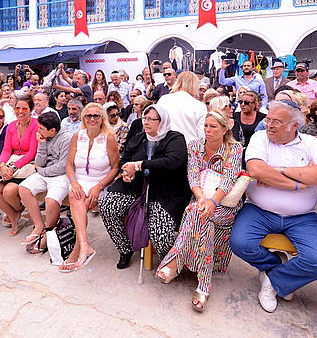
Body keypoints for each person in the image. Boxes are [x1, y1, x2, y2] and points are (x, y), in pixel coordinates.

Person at [229, 101, 317, 313]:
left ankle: (274, 280)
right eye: (268, 119)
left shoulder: (310, 143)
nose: (269, 125)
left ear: (294, 125)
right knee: (240, 243)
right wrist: (298, 183)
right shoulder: (260, 138)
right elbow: (256, 169)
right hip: (259, 210)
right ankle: (275, 264)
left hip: (302, 216)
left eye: (277, 121)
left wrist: (279, 170)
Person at [155, 111, 242, 311]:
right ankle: (204, 285)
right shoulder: (195, 145)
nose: (207, 130)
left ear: (224, 129)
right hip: (200, 199)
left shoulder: (234, 148)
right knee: (200, 215)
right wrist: (202, 198)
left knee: (196, 213)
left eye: (213, 126)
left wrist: (212, 202)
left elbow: (229, 179)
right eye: (206, 126)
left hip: (224, 204)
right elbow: (192, 175)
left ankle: (175, 262)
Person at [100, 104, 188, 267]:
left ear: (162, 121)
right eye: (144, 118)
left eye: (151, 119)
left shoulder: (175, 139)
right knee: (108, 205)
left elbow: (171, 162)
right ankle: (125, 248)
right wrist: (126, 172)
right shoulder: (139, 138)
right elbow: (124, 160)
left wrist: (139, 165)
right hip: (136, 187)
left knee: (160, 234)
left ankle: (171, 263)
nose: (146, 122)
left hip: (164, 192)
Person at [60, 102, 120, 272]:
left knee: (80, 203)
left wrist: (99, 187)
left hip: (100, 181)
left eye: (96, 116)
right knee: (76, 196)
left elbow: (115, 167)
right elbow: (69, 165)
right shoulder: (77, 136)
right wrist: (74, 182)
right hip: (79, 181)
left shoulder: (108, 138)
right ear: (84, 118)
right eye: (88, 116)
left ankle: (78, 250)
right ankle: (84, 247)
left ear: (102, 118)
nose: (92, 119)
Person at [13, 112, 73, 251]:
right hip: (45, 171)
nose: (38, 130)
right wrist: (41, 144)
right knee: (24, 188)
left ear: (52, 130)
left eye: (41, 128)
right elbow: (39, 162)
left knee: (51, 201)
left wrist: (41, 171)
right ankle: (39, 225)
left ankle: (48, 233)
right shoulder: (44, 136)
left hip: (62, 175)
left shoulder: (67, 139)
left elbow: (63, 166)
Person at [0, 96, 39, 234]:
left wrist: (13, 167)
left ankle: (20, 210)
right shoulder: (11, 125)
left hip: (27, 165)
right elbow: (6, 150)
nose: (20, 111)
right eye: (17, 108)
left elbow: (32, 152)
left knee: (9, 192)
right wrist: (3, 165)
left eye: (24, 108)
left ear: (31, 110)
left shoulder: (36, 125)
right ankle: (13, 215)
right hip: (11, 162)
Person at [155, 71, 207, 145]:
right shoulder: (200, 106)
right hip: (189, 146)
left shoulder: (163, 100)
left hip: (165, 145)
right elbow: (202, 134)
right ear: (195, 85)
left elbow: (155, 124)